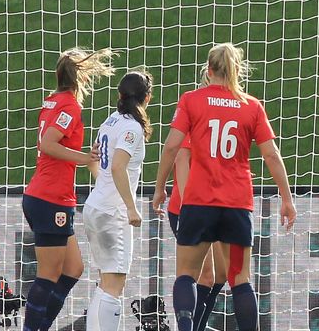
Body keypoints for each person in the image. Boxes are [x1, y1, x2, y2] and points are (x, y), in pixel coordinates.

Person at [152, 43, 296, 331]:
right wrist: (287, 198)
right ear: (237, 70)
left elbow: (171, 147)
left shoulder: (192, 100)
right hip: (237, 204)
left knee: (187, 275)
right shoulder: (251, 106)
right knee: (240, 279)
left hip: (199, 202)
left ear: (208, 70)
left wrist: (159, 187)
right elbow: (271, 154)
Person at [22, 47, 115, 331]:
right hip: (50, 197)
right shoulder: (70, 106)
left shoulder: (52, 101)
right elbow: (48, 144)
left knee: (73, 268)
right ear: (80, 78)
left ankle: (41, 325)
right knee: (48, 275)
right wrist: (85, 158)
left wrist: (81, 155)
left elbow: (52, 143)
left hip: (47, 195)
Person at [83, 70, 153, 331]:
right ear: (147, 98)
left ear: (119, 96)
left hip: (96, 206)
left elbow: (94, 160)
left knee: (106, 283)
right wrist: (131, 208)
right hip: (113, 213)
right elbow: (117, 167)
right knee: (114, 286)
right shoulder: (132, 128)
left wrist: (104, 186)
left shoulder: (110, 121)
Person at [167, 136, 227, 331]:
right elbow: (181, 157)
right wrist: (188, 205)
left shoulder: (225, 116)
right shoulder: (194, 112)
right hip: (190, 206)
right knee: (205, 277)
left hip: (217, 203)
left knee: (222, 274)